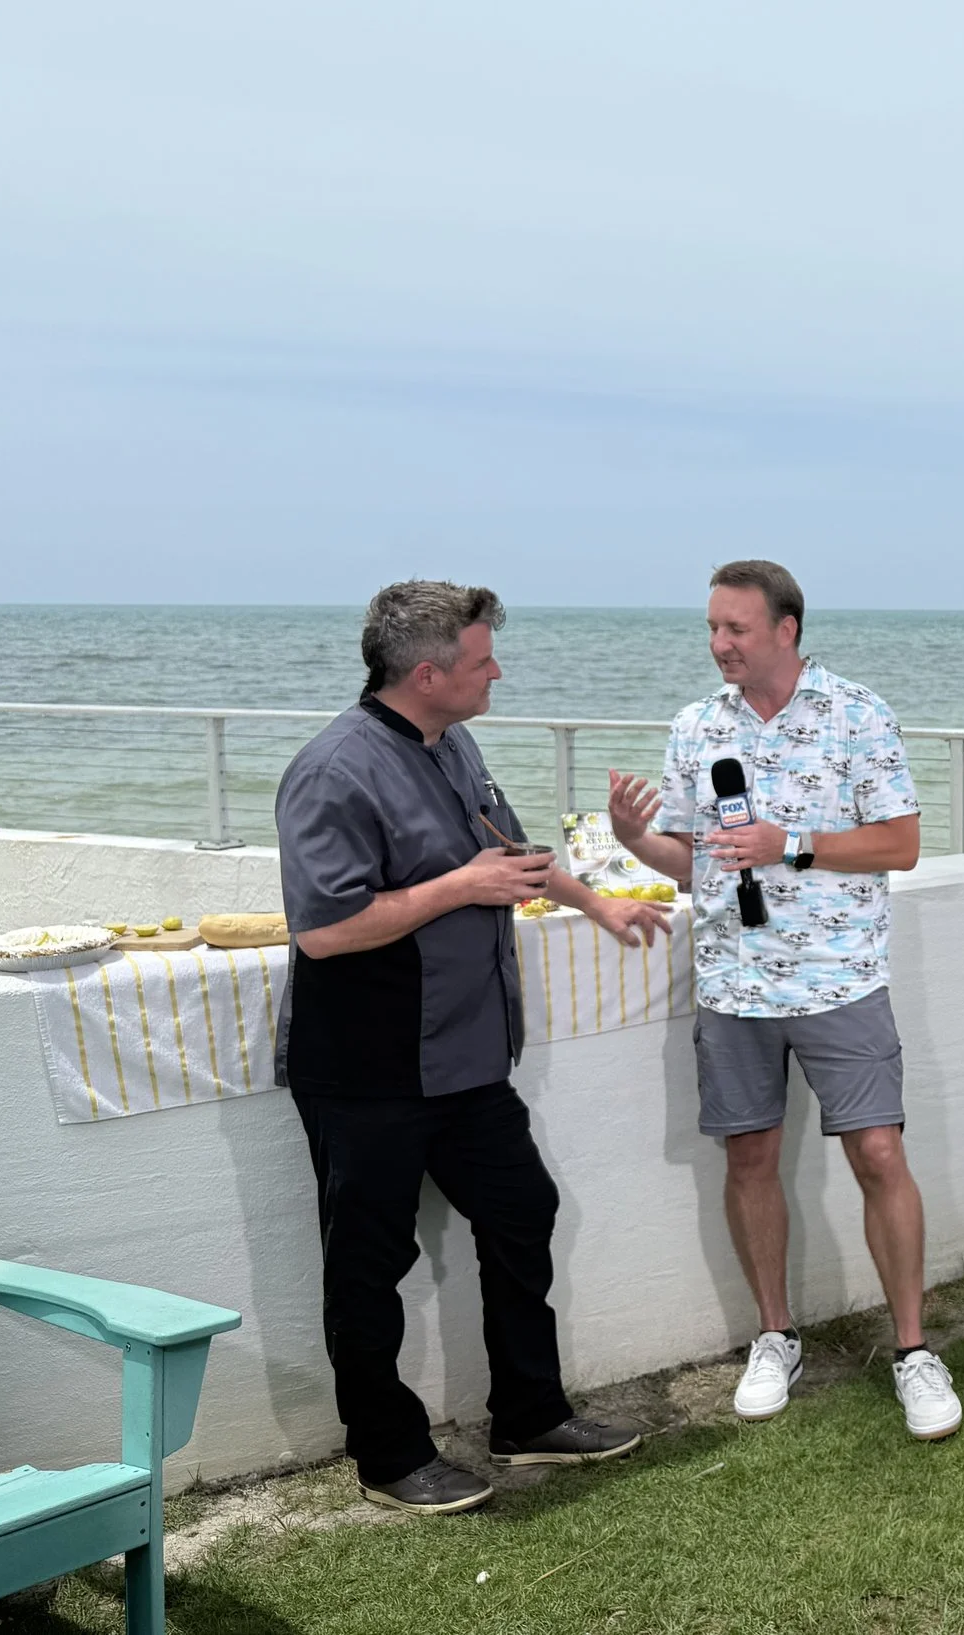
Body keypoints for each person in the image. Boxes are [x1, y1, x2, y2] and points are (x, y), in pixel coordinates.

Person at [276, 581, 670, 1515]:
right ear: (427, 672)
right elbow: (324, 930)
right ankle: (388, 1455)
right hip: (368, 1065)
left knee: (524, 1208)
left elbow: (508, 855)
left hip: (465, 1059)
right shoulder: (332, 770)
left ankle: (529, 1415)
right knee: (369, 1265)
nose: (498, 673)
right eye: (484, 660)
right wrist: (460, 886)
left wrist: (598, 903)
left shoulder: (453, 742)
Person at [604, 560, 960, 1440]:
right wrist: (633, 837)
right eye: (713, 628)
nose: (720, 644)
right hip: (733, 983)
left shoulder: (856, 713)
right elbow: (692, 862)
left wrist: (789, 842)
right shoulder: (695, 727)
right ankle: (776, 1336)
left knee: (879, 1151)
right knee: (750, 1158)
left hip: (841, 978)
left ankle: (914, 1351)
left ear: (786, 629)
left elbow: (901, 844)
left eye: (737, 628)